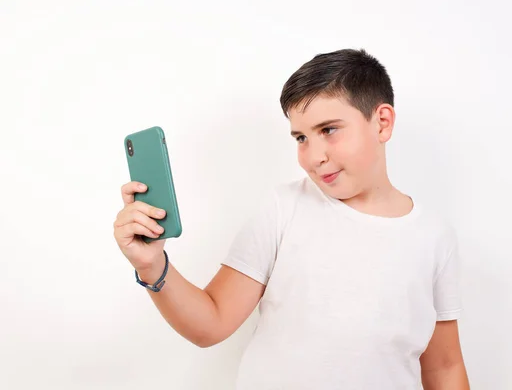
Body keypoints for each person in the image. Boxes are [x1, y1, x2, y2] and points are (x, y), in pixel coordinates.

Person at [113, 48, 470, 389]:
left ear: (382, 122)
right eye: (301, 137)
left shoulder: (433, 237)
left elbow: (443, 365)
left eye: (329, 130)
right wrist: (152, 266)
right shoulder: (283, 209)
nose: (314, 156)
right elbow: (211, 323)